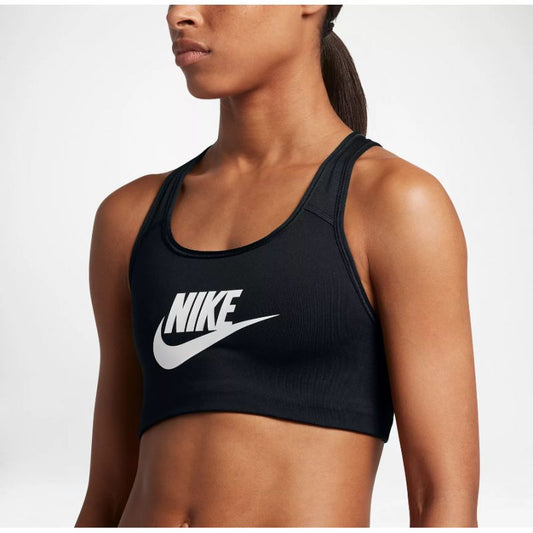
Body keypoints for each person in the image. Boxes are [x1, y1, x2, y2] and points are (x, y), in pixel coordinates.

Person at [75, 5, 479, 528]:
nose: (179, 14)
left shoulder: (393, 204)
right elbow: (106, 496)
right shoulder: (130, 219)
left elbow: (441, 500)